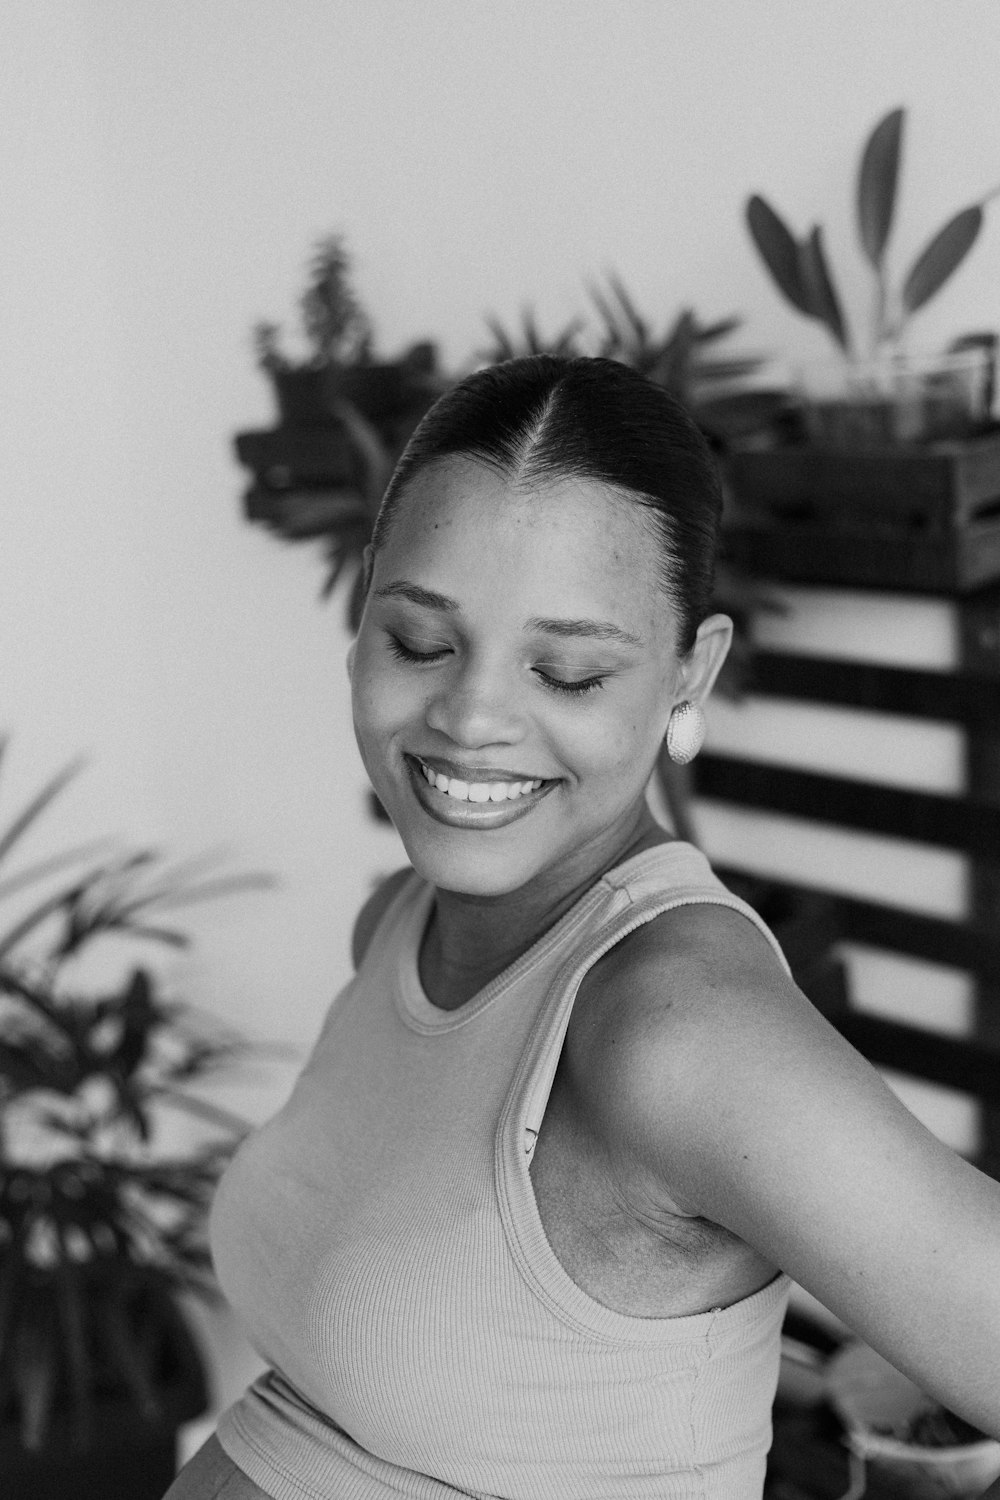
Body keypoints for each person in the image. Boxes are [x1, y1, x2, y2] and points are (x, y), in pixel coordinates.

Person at [166, 355, 1000, 1500]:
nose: (469, 718)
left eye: (565, 672)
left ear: (687, 673)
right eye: (418, 641)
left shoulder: (678, 1035)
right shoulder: (397, 928)